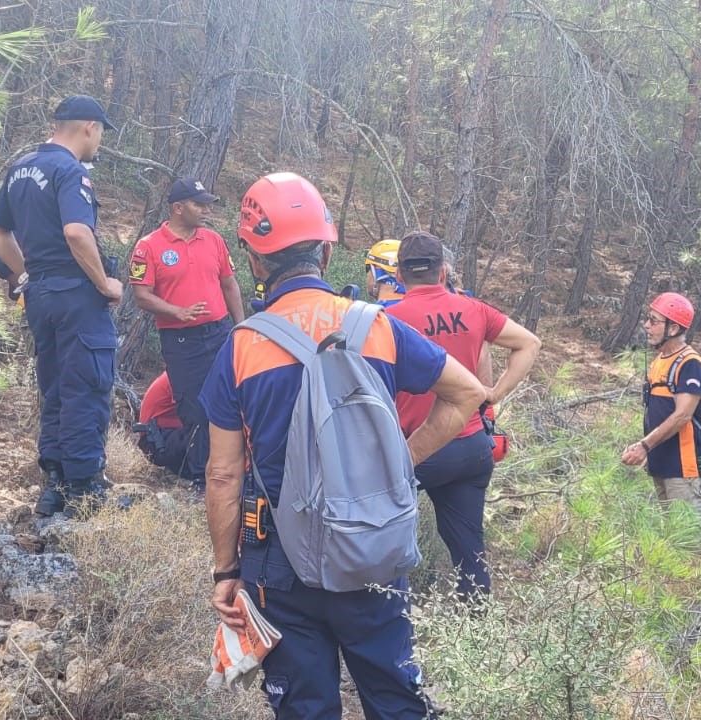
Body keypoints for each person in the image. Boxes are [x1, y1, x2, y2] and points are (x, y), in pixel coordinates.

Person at [201, 172, 486, 718]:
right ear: (327, 252)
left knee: (304, 706)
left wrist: (224, 572)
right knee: (396, 697)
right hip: (372, 544)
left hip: (279, 558)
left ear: (255, 263)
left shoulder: (240, 347)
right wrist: (401, 463)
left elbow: (223, 476)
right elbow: (467, 393)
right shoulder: (378, 326)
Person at [0, 95, 121, 518]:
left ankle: (56, 484)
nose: (98, 143)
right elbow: (78, 233)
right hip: (76, 295)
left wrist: (28, 273)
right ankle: (85, 488)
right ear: (89, 128)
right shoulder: (69, 170)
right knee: (87, 385)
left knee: (57, 388)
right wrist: (105, 283)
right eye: (100, 134)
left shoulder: (21, 168)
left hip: (40, 295)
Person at [385, 231, 540, 599]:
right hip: (470, 446)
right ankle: (476, 628)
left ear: (400, 275)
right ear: (443, 272)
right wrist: (492, 395)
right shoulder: (475, 310)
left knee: (383, 541)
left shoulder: (388, 318)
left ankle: (393, 611)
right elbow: (529, 343)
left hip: (414, 451)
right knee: (470, 553)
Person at [128, 178, 245, 485]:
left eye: (207, 204)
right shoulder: (149, 246)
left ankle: (230, 472)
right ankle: (199, 479)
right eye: (198, 204)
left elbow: (229, 284)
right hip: (182, 340)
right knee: (195, 408)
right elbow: (142, 295)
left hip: (219, 332)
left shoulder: (214, 240)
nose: (205, 210)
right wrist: (176, 311)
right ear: (178, 208)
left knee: (230, 400)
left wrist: (241, 325)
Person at [621, 292, 701, 514]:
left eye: (654, 320)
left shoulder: (690, 364)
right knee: (670, 539)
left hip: (684, 469)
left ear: (673, 329)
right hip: (661, 464)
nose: (646, 325)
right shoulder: (659, 361)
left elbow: (682, 415)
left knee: (687, 542)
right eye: (648, 318)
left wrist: (644, 445)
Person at [133, 371, 187, 474]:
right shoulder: (180, 375)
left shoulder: (181, 370)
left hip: (165, 437)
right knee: (205, 429)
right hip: (156, 443)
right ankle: (201, 479)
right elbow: (197, 413)